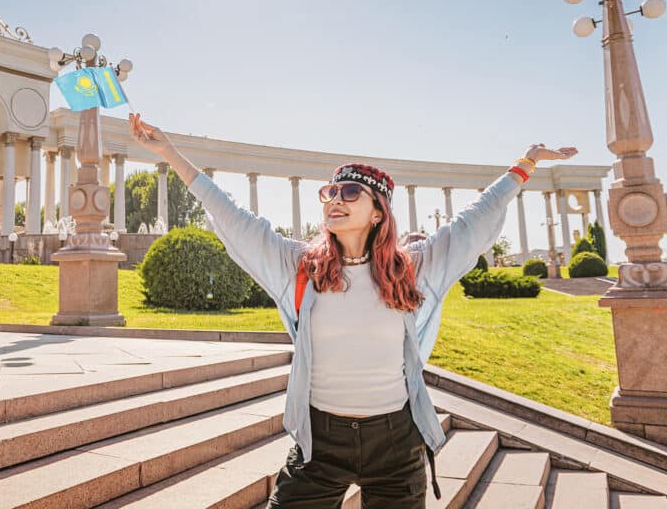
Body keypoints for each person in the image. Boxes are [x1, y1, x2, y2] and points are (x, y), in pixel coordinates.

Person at [129, 113, 577, 508]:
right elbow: (232, 215)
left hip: (396, 443)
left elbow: (475, 220)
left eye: (349, 192)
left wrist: (526, 163)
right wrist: (170, 152)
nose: (334, 199)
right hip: (319, 443)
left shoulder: (414, 269)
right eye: (329, 192)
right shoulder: (299, 266)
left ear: (378, 211)